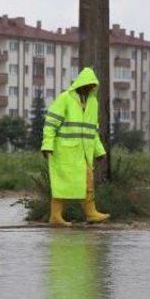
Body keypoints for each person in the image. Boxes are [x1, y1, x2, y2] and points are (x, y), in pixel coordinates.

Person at [41, 67, 110, 227]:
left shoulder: (93, 102)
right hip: (63, 152)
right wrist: (47, 145)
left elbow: (93, 130)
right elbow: (50, 123)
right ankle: (56, 216)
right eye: (87, 84)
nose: (89, 87)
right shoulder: (64, 98)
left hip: (83, 153)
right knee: (62, 184)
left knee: (88, 181)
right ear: (80, 84)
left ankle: (91, 213)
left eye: (92, 85)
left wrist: (99, 151)